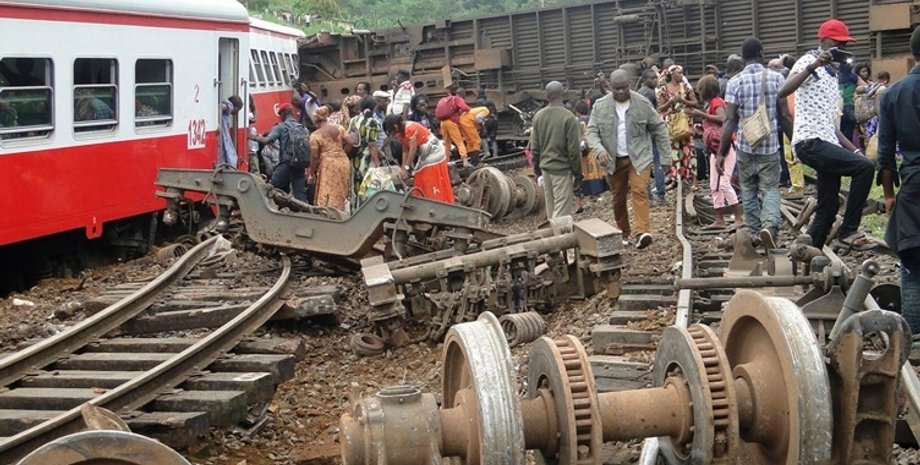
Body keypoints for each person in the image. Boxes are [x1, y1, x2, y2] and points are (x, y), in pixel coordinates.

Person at [778, 19, 875, 250]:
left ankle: (809, 256)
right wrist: (815, 65)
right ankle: (848, 231)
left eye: (844, 44)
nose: (841, 47)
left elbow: (832, 126)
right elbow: (783, 91)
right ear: (823, 41)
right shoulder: (808, 61)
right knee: (865, 168)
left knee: (828, 208)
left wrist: (855, 150)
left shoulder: (833, 76)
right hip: (810, 141)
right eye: (837, 43)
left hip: (826, 140)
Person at [587, 70, 671, 249]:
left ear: (630, 85)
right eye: (616, 88)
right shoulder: (600, 106)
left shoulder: (642, 103)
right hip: (613, 160)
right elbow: (591, 132)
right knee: (618, 198)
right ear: (611, 86)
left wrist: (665, 157)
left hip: (639, 158)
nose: (620, 92)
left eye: (623, 88)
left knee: (639, 190)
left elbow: (658, 128)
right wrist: (599, 150)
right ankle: (623, 231)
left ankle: (642, 232)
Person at [719, 38, 791, 247]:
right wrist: (794, 141)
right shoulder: (777, 78)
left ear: (743, 58)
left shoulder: (734, 82)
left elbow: (730, 120)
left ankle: (754, 233)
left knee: (748, 190)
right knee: (770, 189)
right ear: (761, 53)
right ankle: (770, 226)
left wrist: (722, 153)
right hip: (770, 146)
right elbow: (784, 116)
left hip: (745, 146)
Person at [878, 26, 920, 336]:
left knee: (913, 265)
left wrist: (889, 195)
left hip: (914, 186)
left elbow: (885, 153)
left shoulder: (893, 94)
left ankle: (914, 339)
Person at [690, 75, 743, 230]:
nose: (699, 92)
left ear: (706, 90)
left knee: (724, 183)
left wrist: (701, 115)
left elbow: (723, 118)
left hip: (725, 147)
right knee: (715, 185)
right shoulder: (710, 104)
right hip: (715, 148)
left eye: (700, 89)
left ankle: (739, 217)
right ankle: (719, 219)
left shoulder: (716, 102)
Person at [530, 81, 582, 219]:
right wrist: (578, 174)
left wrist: (537, 170)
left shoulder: (539, 116)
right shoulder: (569, 117)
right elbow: (574, 151)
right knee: (562, 213)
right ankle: (558, 233)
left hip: (546, 170)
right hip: (562, 170)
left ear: (546, 96)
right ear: (562, 94)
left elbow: (535, 148)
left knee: (551, 208)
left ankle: (552, 231)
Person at [383, 114, 454, 203]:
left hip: (434, 151)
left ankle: (436, 200)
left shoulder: (409, 129)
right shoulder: (400, 133)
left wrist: (406, 168)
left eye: (391, 129)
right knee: (419, 175)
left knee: (427, 176)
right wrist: (403, 168)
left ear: (395, 125)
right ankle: (425, 200)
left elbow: (412, 150)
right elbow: (405, 151)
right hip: (424, 153)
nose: (392, 133)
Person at [256, 103, 308, 202]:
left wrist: (253, 137)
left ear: (283, 114)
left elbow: (267, 140)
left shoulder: (280, 127)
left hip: (286, 164)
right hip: (300, 163)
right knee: (299, 193)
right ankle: (304, 210)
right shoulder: (303, 127)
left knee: (270, 187)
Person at [657, 64, 698, 189]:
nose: (682, 75)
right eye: (679, 73)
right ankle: (676, 179)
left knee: (689, 151)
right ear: (672, 74)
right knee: (674, 152)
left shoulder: (686, 87)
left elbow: (695, 103)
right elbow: (660, 108)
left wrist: (682, 100)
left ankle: (692, 181)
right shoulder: (663, 89)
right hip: (673, 125)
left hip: (685, 123)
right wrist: (670, 102)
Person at [309, 106, 351, 211]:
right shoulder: (339, 128)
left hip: (328, 164)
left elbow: (314, 156)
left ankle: (329, 213)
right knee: (341, 189)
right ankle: (342, 211)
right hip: (343, 161)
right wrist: (341, 153)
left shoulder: (315, 135)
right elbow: (350, 142)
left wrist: (311, 173)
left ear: (316, 120)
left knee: (328, 191)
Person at [346, 96, 384, 206]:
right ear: (374, 107)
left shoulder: (352, 120)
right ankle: (366, 212)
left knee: (355, 188)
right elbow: (371, 145)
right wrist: (377, 164)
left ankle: (355, 211)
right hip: (366, 161)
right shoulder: (373, 122)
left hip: (354, 160)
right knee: (367, 189)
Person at [436, 84, 472, 164]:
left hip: (443, 123)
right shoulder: (457, 99)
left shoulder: (446, 99)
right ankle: (465, 160)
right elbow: (465, 108)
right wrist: (472, 111)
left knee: (447, 143)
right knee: (459, 141)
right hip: (451, 122)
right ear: (462, 94)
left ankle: (446, 161)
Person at [218, 95, 243, 168]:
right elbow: (220, 107)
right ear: (236, 108)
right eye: (238, 110)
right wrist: (218, 123)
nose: (236, 113)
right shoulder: (230, 106)